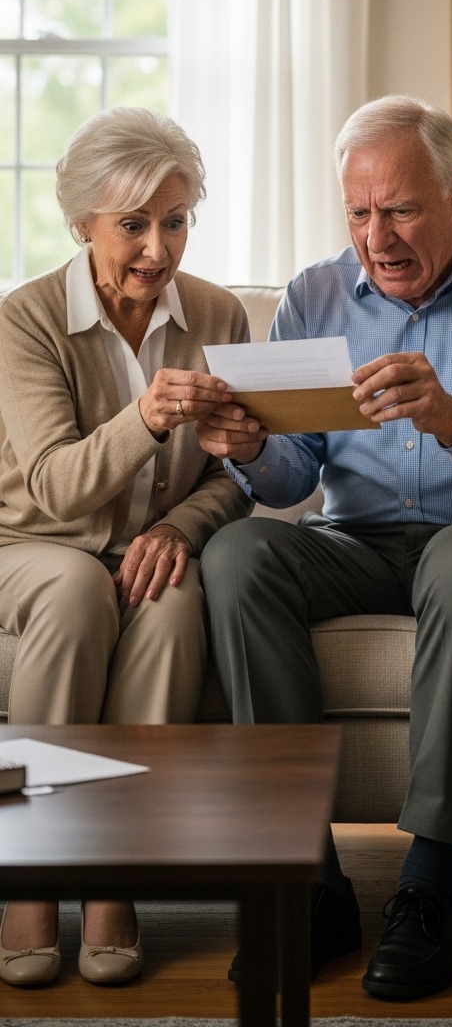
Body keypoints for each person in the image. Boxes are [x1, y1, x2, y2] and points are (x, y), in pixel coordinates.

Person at [196, 95, 452, 1001]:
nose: (379, 235)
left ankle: (427, 884)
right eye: (360, 213)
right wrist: (249, 447)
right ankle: (311, 882)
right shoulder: (314, 297)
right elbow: (292, 480)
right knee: (238, 554)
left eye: (401, 209)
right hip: (352, 539)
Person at [0, 106, 252, 988]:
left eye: (175, 221)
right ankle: (27, 878)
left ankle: (114, 878)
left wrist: (182, 525)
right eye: (133, 225)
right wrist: (146, 416)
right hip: (30, 544)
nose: (158, 247)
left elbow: (236, 476)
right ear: (82, 224)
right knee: (75, 590)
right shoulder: (25, 320)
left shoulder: (219, 314)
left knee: (175, 598)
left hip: (146, 546)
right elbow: (56, 488)